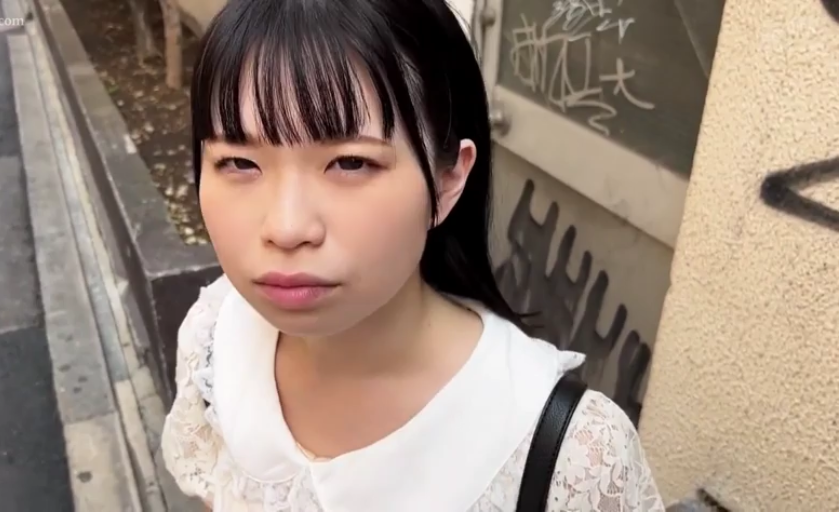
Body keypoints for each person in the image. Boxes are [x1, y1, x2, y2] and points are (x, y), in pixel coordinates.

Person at [161, 0, 665, 510]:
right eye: (239, 163)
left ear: (448, 179)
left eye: (350, 163)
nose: (286, 228)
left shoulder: (574, 459)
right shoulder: (215, 341)